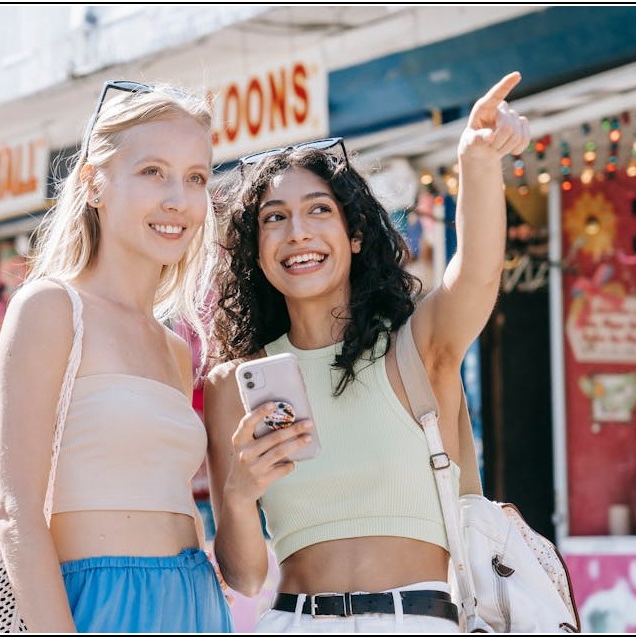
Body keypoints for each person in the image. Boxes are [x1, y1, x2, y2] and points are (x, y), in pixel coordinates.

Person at [204, 72, 529, 633]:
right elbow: (246, 578)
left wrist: (476, 161)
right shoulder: (233, 384)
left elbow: (476, 273)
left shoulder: (418, 347)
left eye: (319, 210)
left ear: (355, 235)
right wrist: (237, 497)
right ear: (256, 251)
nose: (297, 233)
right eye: (274, 218)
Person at [0, 79, 233, 633]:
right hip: (100, 603)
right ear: (93, 183)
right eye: (153, 172)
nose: (178, 199)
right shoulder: (52, 309)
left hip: (195, 599)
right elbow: (15, 512)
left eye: (195, 178)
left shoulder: (174, 349)